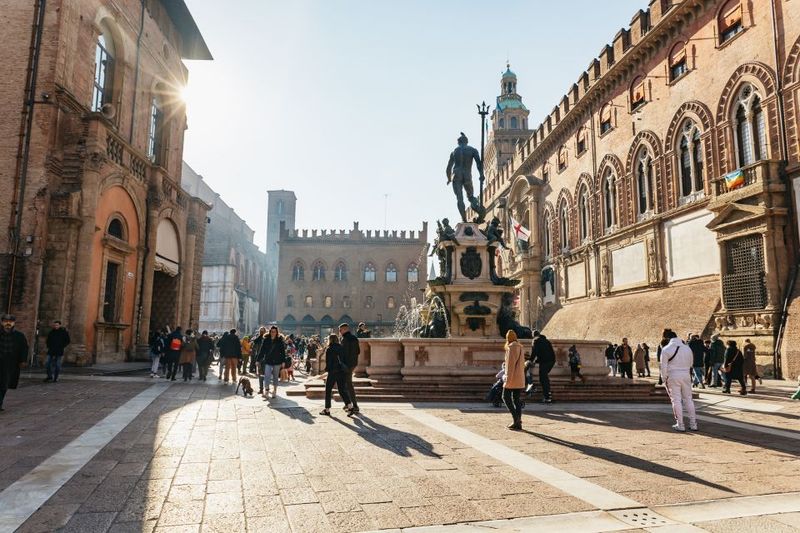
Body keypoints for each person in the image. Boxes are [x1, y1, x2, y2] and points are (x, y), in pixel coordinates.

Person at [660, 328, 698, 432]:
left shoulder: (666, 349)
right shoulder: (687, 348)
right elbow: (691, 363)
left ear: (667, 338)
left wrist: (664, 378)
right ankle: (693, 424)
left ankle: (680, 424)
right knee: (688, 399)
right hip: (686, 374)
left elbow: (663, 366)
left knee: (676, 400)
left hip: (673, 375)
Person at [445, 132, 486, 222]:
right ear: (466, 141)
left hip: (456, 175)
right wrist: (481, 174)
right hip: (467, 175)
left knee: (460, 198)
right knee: (471, 197)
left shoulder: (454, 152)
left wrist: (449, 178)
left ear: (459, 142)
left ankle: (464, 220)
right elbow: (479, 164)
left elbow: (448, 168)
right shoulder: (472, 150)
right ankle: (478, 209)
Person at [0, 314, 29, 411]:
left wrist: (23, 360)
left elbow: (24, 348)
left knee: (4, 383)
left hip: (10, 363)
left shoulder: (19, 336)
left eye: (10, 321)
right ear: (2, 322)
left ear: (14, 323)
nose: (8, 323)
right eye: (5, 321)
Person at [319, 334, 351, 416]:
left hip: (333, 372)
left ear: (330, 340)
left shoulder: (329, 349)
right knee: (342, 390)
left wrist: (326, 370)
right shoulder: (341, 348)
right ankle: (350, 406)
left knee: (328, 390)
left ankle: (327, 409)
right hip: (342, 371)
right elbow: (345, 360)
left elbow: (328, 362)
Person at [503, 330, 525, 430]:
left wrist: (507, 379)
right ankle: (518, 423)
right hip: (519, 377)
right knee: (517, 399)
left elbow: (510, 365)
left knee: (505, 397)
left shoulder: (511, 347)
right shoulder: (520, 347)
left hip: (512, 378)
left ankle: (516, 419)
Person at [258, 326, 285, 399]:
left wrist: (283, 361)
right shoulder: (266, 340)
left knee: (275, 377)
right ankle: (267, 391)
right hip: (268, 361)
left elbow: (283, 352)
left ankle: (274, 391)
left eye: (274, 332)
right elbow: (262, 351)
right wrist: (258, 360)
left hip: (277, 361)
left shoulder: (279, 340)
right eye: (272, 331)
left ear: (276, 332)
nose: (273, 333)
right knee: (267, 376)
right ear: (270, 332)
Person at [339, 322, 361, 415]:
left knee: (348, 385)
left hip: (346, 365)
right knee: (347, 384)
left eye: (340, 330)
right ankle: (348, 404)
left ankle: (354, 406)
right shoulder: (355, 338)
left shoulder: (344, 339)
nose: (339, 332)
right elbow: (358, 351)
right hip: (353, 364)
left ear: (345, 329)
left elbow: (342, 354)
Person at [531, 330, 555, 403]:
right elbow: (545, 352)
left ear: (533, 336)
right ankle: (547, 394)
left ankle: (547, 396)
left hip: (545, 362)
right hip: (551, 361)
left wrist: (530, 360)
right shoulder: (546, 341)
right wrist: (536, 361)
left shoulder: (535, 341)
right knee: (544, 377)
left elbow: (534, 352)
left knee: (543, 379)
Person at [251, 327, 267, 393]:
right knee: (260, 374)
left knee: (266, 374)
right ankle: (261, 389)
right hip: (259, 358)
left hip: (266, 359)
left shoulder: (267, 338)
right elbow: (254, 342)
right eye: (261, 331)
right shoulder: (258, 338)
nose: (262, 332)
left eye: (263, 331)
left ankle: (266, 388)